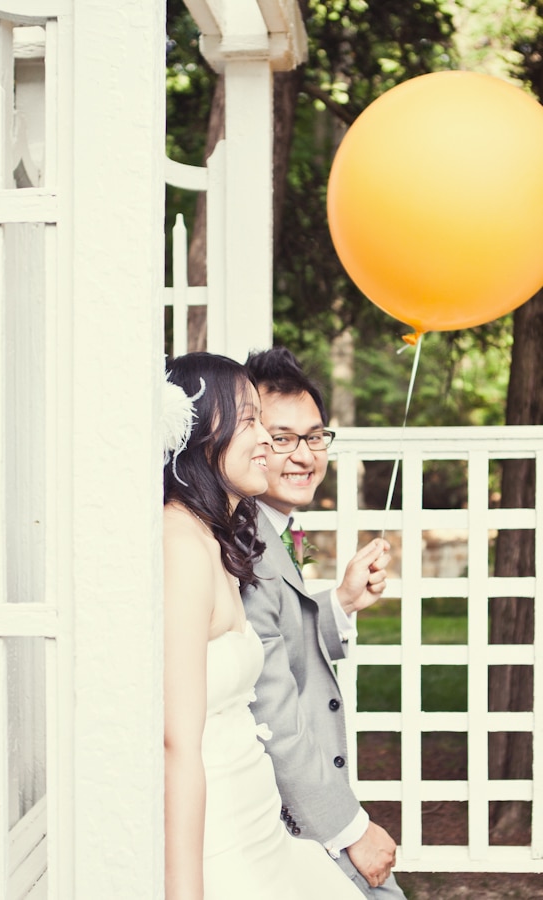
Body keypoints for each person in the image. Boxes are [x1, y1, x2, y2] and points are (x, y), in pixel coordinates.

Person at [163, 351, 365, 900]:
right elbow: (175, 743)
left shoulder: (213, 538)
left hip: (259, 826)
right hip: (222, 840)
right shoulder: (179, 545)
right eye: (251, 421)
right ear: (202, 433)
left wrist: (341, 603)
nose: (267, 444)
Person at [243, 347, 406, 899]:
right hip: (284, 816)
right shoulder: (242, 543)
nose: (304, 455)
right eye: (282, 438)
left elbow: (277, 640)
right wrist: (349, 828)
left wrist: (340, 603)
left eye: (315, 437)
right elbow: (269, 705)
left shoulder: (270, 528)